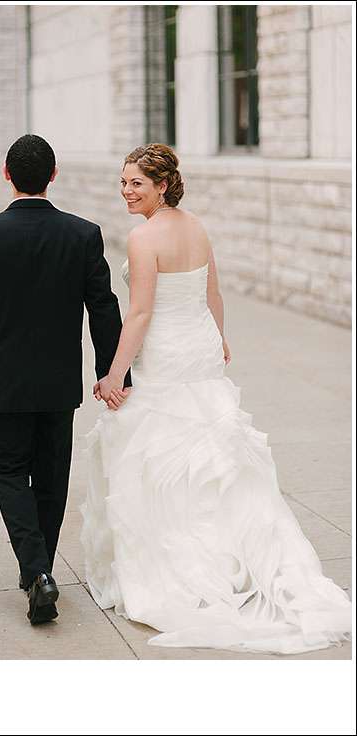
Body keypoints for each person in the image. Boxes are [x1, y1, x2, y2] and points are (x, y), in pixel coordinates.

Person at [81, 143, 351, 654]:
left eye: (137, 182)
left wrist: (115, 373)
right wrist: (219, 337)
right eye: (123, 182)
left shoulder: (144, 239)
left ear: (162, 185)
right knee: (211, 455)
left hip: (166, 354)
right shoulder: (196, 226)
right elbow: (213, 296)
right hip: (199, 348)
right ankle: (235, 559)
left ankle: (186, 571)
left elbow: (138, 315)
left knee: (162, 454)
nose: (126, 191)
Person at [0, 134, 129, 625]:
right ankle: (40, 573)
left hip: (4, 384)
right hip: (58, 383)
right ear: (54, 175)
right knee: (50, 480)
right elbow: (104, 309)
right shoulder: (83, 234)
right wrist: (113, 372)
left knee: (6, 473)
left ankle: (36, 572)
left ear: (6, 174)